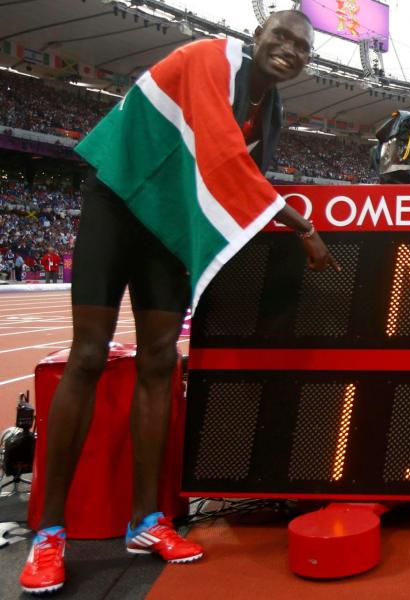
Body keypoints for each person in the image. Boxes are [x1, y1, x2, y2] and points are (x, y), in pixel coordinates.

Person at [20, 10, 338, 595]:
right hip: (119, 197)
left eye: (302, 47)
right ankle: (49, 533)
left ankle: (147, 520)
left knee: (160, 361)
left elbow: (238, 185)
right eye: (282, 37)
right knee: (88, 355)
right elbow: (223, 159)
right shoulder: (210, 57)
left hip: (167, 224)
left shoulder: (271, 112)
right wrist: (301, 224)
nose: (290, 50)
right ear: (258, 35)